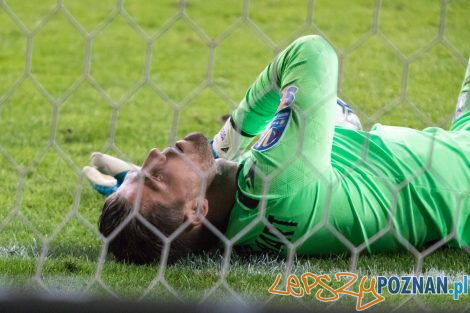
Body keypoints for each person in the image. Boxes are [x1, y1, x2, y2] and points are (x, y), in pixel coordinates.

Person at [85, 35, 470, 265]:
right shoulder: (277, 184)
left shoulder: (244, 214)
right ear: (197, 210)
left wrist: (154, 183)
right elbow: (313, 53)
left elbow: (337, 118)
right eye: (154, 176)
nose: (154, 153)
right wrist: (224, 143)